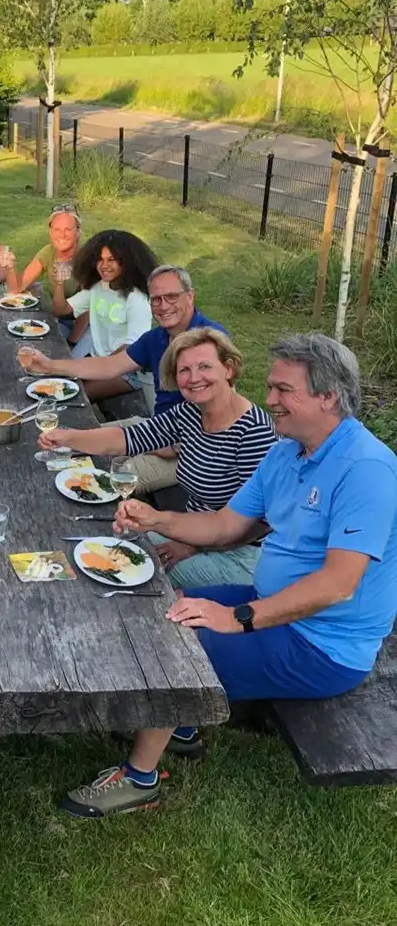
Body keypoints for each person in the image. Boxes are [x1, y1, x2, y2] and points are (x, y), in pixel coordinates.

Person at [60, 333, 397, 818]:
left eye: (284, 390)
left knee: (175, 648)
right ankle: (179, 724)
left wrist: (238, 617)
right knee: (161, 603)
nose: (270, 400)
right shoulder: (288, 452)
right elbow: (224, 525)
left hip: (324, 644)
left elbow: (338, 584)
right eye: (271, 386)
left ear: (329, 396)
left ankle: (139, 778)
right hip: (275, 604)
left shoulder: (365, 469)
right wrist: (156, 520)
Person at [39, 328, 277, 587]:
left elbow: (261, 523)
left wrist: (190, 544)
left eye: (204, 366)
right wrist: (68, 437)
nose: (194, 377)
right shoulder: (191, 412)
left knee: (128, 575)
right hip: (191, 533)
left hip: (240, 555)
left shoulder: (254, 432)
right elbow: (129, 438)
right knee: (99, 545)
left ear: (229, 369)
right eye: (184, 370)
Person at [20, 264, 226, 493]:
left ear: (190, 296)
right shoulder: (156, 338)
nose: (163, 306)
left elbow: (221, 409)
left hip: (193, 450)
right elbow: (109, 366)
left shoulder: (211, 340)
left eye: (171, 297)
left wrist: (172, 445)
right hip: (157, 430)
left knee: (101, 482)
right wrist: (49, 365)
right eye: (156, 299)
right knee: (67, 443)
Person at [57, 229, 156, 397]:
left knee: (73, 396)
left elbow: (132, 346)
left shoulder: (137, 298)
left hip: (128, 371)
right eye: (100, 260)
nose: (104, 266)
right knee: (58, 383)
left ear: (126, 262)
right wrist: (58, 284)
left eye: (112, 260)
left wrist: (98, 366)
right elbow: (62, 310)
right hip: (100, 362)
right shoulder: (98, 288)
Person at [5, 204, 87, 353]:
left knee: (42, 347)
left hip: (77, 325)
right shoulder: (49, 251)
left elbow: (88, 311)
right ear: (50, 231)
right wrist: (11, 267)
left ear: (78, 232)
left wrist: (70, 343)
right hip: (54, 317)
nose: (61, 235)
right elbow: (17, 288)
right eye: (56, 229)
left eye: (68, 229)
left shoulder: (86, 258)